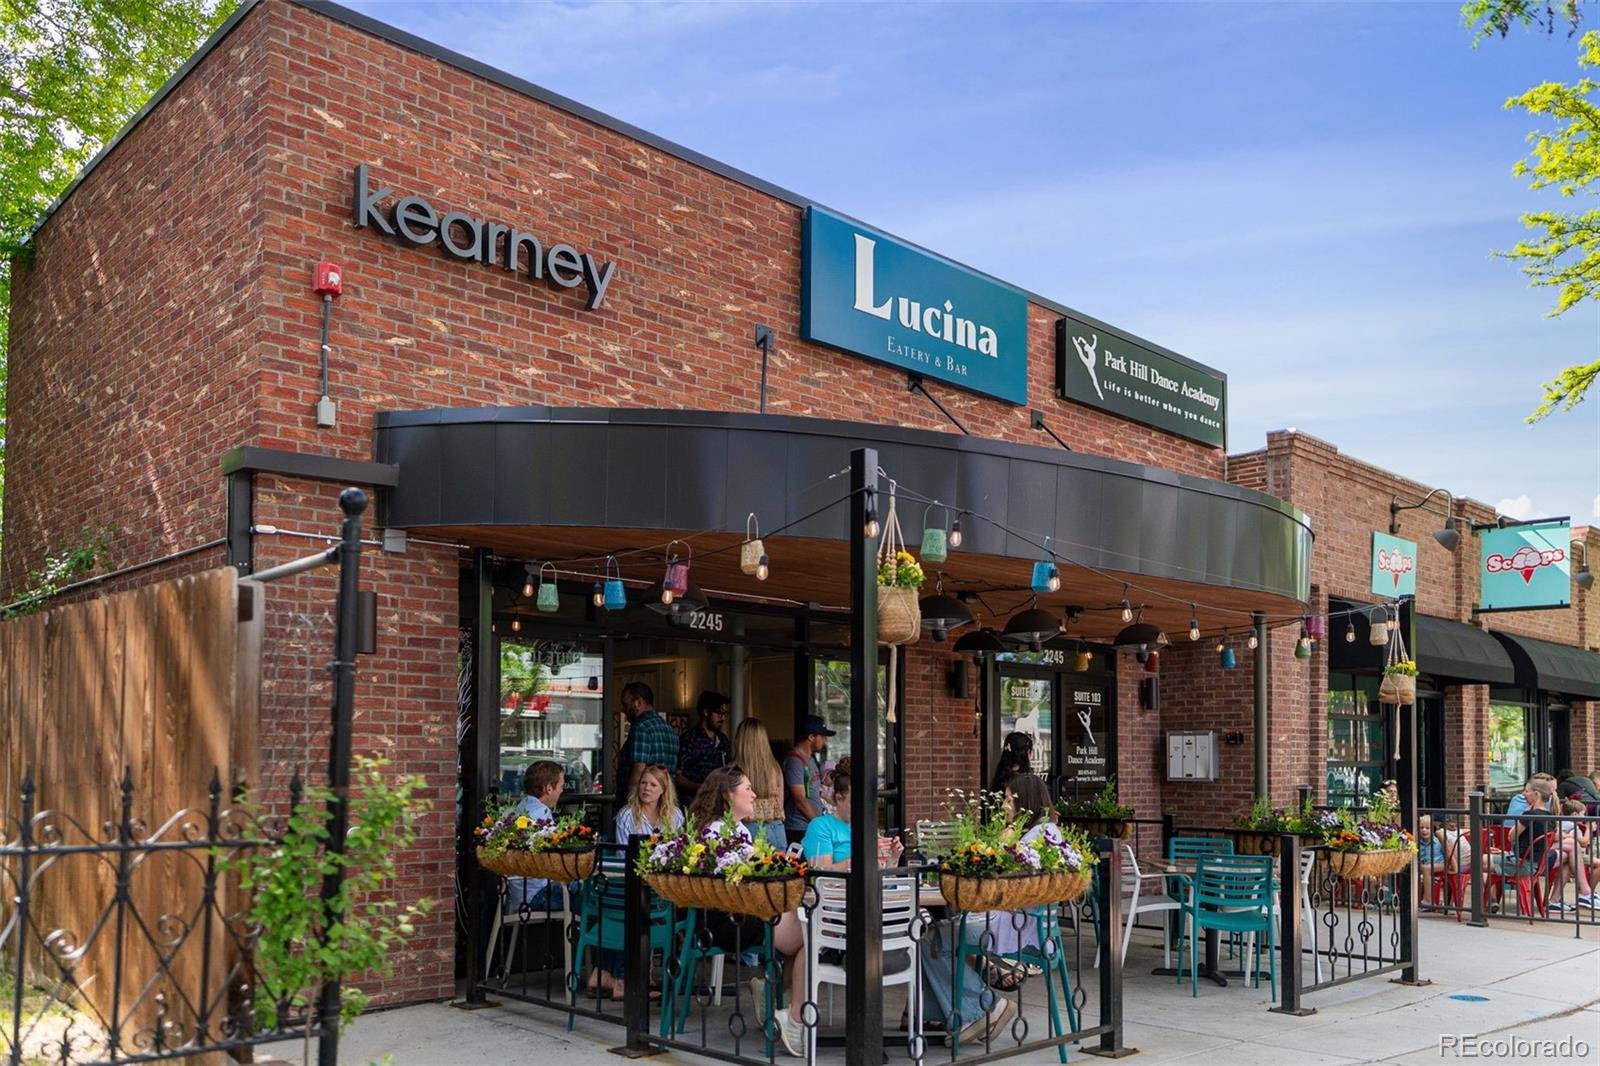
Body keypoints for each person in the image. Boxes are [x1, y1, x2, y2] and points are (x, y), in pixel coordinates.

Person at [688, 767, 808, 1058]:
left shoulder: (739, 830)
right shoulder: (716, 832)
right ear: (729, 796)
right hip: (725, 920)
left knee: (806, 930)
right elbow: (739, 887)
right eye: (747, 789)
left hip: (745, 912)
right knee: (810, 934)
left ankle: (774, 999)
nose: (754, 794)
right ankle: (792, 1018)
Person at [800, 762, 903, 871]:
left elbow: (884, 876)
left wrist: (893, 857)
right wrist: (865, 854)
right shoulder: (820, 826)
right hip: (839, 887)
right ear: (839, 798)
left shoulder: (867, 827)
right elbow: (821, 874)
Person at [1486, 777, 1558, 912]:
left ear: (1536, 794)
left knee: (1477, 861)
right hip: (1535, 865)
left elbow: (1511, 836)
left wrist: (1527, 811)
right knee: (1488, 860)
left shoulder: (1529, 815)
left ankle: (1486, 902)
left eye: (1527, 791)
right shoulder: (1550, 816)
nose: (1524, 794)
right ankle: (1489, 900)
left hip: (1521, 864)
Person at [509, 760, 565, 911]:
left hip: (517, 895)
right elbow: (553, 859)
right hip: (537, 895)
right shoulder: (541, 813)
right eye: (560, 787)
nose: (561, 791)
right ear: (548, 789)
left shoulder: (516, 810)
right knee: (593, 895)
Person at [616, 681, 677, 807]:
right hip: (664, 802)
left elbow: (639, 768)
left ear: (638, 702)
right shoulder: (669, 730)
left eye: (625, 705)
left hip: (642, 804)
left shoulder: (641, 727)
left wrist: (630, 804)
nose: (623, 710)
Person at [733, 716, 787, 848]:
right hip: (777, 828)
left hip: (749, 828)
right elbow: (780, 802)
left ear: (740, 740)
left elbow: (733, 807)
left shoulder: (735, 770)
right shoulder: (775, 767)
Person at [783, 714, 835, 839]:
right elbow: (800, 799)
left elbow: (816, 791)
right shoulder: (794, 761)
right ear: (811, 737)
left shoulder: (811, 759)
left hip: (811, 826)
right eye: (822, 736)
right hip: (799, 828)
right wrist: (819, 824)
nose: (824, 740)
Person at [676, 690, 731, 802]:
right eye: (718, 713)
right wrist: (698, 787)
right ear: (706, 712)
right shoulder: (689, 739)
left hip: (718, 802)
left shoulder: (723, 740)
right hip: (693, 802)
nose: (722, 718)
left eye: (724, 714)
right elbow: (677, 776)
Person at [615, 763, 683, 842]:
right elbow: (623, 853)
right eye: (643, 783)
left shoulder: (675, 815)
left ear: (663, 790)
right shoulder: (626, 815)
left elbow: (679, 848)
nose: (647, 788)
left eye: (653, 785)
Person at [1417, 815, 1446, 906]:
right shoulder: (1418, 843)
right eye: (1421, 828)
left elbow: (1447, 854)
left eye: (1427, 828)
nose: (1424, 830)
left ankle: (1427, 900)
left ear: (1432, 829)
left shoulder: (1438, 842)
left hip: (1439, 864)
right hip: (1424, 866)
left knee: (1426, 868)